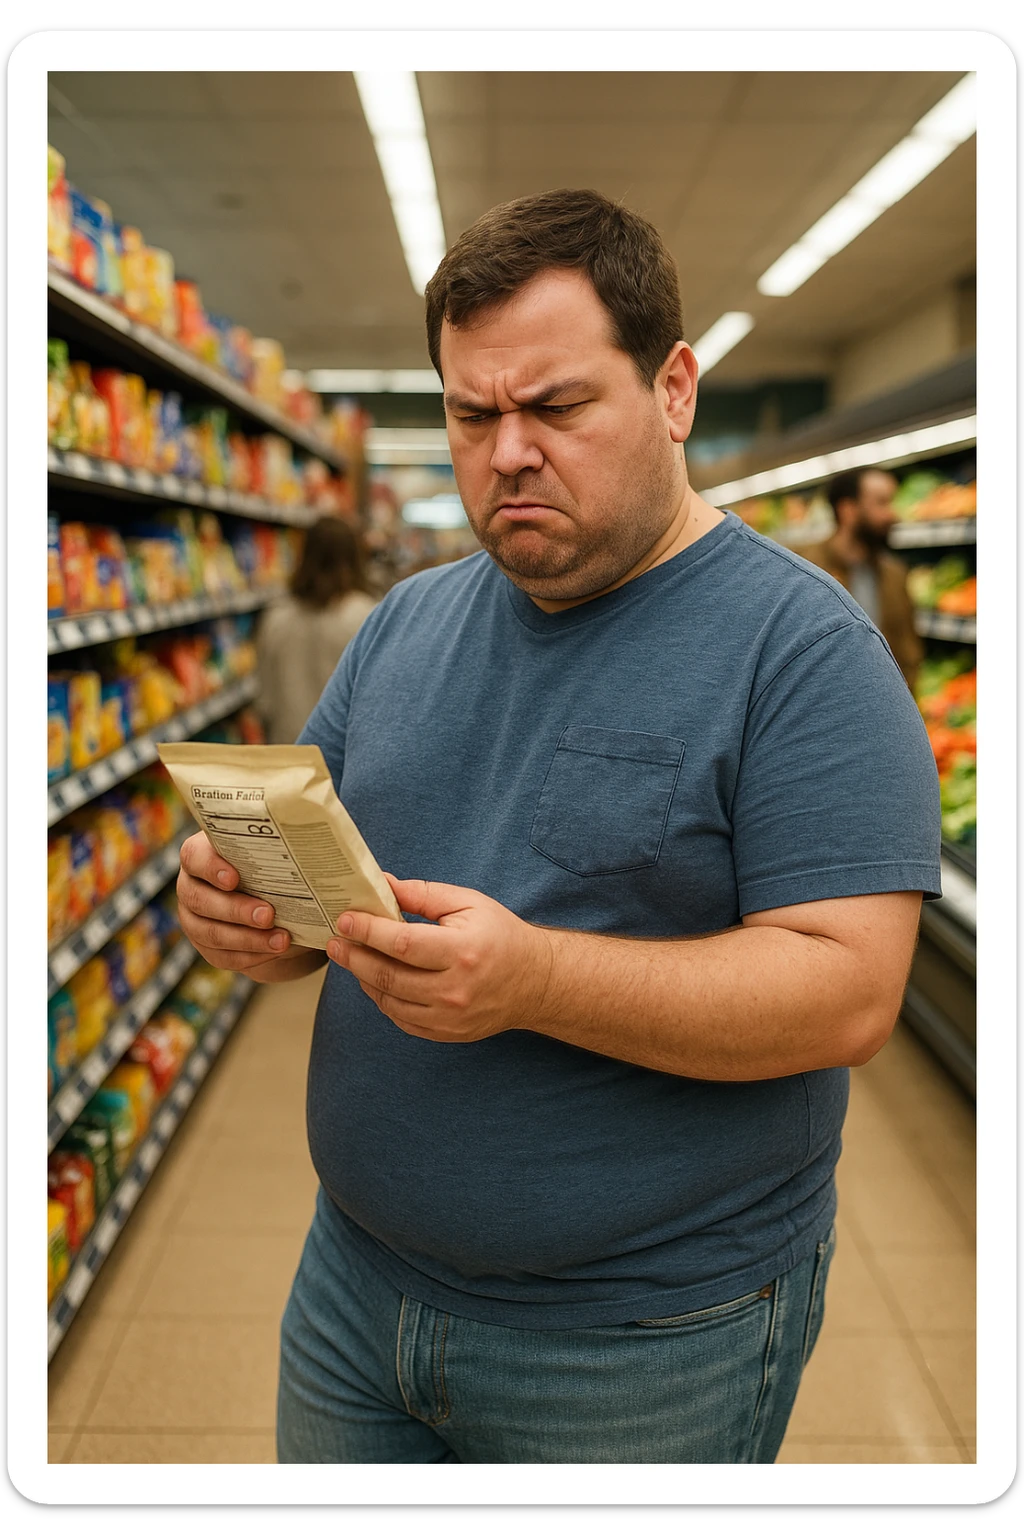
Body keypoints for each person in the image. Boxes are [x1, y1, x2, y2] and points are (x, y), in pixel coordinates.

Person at [175, 189, 942, 1465]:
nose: (507, 451)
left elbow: (849, 994)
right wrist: (250, 913)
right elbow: (324, 885)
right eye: (472, 414)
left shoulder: (804, 652)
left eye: (556, 407)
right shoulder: (404, 624)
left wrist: (531, 979)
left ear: (674, 389)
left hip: (645, 1340)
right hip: (350, 1290)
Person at [254, 515, 377, 744]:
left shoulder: (276, 618)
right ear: (354, 557)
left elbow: (264, 700)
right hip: (345, 757)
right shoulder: (367, 617)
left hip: (289, 753)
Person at [800, 468, 924, 692]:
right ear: (848, 510)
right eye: (882, 503)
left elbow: (909, 651)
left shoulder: (894, 574)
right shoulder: (806, 570)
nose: (892, 514)